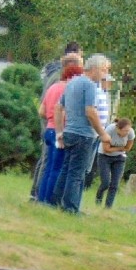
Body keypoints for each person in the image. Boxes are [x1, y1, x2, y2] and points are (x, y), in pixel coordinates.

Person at [51, 54, 112, 214]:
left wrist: (59, 132)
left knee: (66, 169)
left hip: (69, 131)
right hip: (83, 135)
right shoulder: (90, 85)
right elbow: (90, 111)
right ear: (95, 68)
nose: (105, 74)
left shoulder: (72, 82)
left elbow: (58, 107)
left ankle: (56, 201)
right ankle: (71, 208)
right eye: (104, 70)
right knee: (77, 173)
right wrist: (103, 133)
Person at [30, 43, 82, 201]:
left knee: (48, 164)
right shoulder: (65, 86)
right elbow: (63, 109)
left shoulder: (54, 81)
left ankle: (39, 196)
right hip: (58, 129)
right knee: (54, 165)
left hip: (49, 127)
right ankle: (45, 198)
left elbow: (42, 109)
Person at [94, 118, 135, 208]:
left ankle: (108, 207)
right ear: (118, 129)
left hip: (119, 158)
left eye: (128, 130)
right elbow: (106, 149)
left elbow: (128, 148)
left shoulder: (130, 132)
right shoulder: (110, 129)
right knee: (105, 183)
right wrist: (120, 148)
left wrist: (115, 149)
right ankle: (98, 200)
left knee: (115, 184)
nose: (127, 133)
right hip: (104, 156)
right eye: (125, 131)